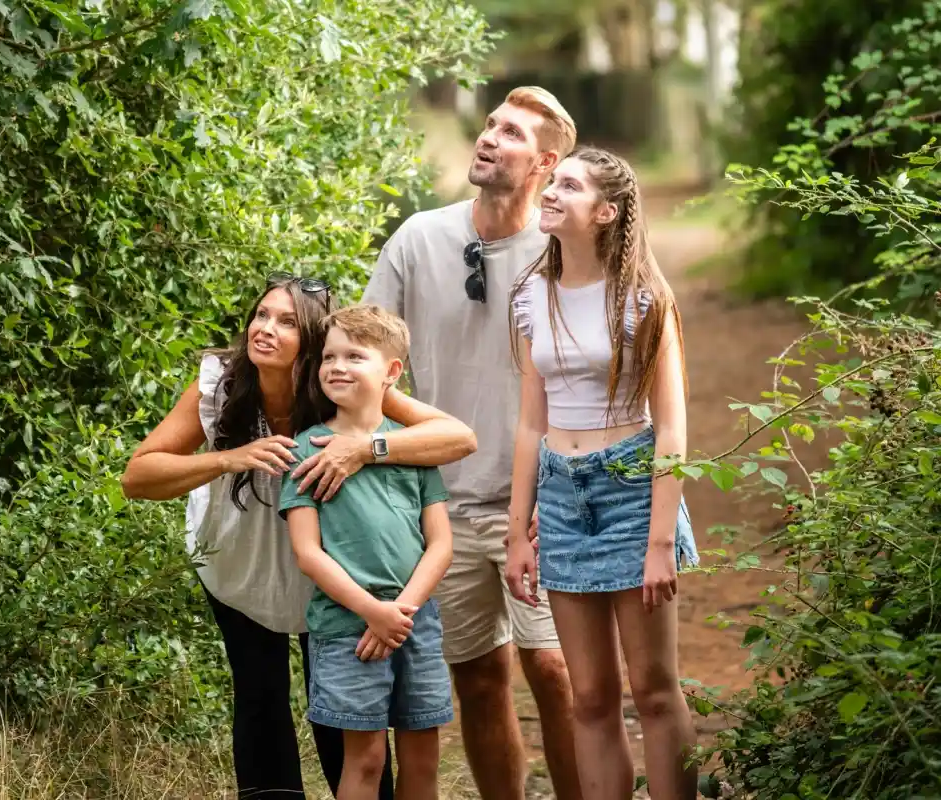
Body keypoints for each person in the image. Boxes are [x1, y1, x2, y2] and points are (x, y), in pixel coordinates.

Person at [120, 273, 476, 799]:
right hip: (238, 555)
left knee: (338, 704)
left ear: (313, 340)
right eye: (261, 315)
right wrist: (228, 458)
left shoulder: (335, 383)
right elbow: (137, 477)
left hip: (328, 565)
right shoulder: (220, 381)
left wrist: (364, 449)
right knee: (260, 694)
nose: (265, 329)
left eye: (287, 322)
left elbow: (457, 437)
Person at [361, 86, 582, 800]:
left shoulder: (563, 251)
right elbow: (366, 359)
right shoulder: (418, 239)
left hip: (537, 497)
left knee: (553, 668)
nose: (489, 137)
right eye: (490, 125)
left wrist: (566, 484)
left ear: (545, 162)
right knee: (480, 678)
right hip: (439, 505)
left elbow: (592, 377)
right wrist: (412, 442)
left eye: (512, 133)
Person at [504, 146, 700, 800]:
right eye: (551, 181)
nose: (550, 191)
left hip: (631, 490)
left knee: (652, 689)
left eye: (568, 185)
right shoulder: (533, 295)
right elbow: (530, 422)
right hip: (561, 494)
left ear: (606, 211)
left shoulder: (644, 298)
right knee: (588, 695)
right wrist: (517, 533)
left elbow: (671, 428)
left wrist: (657, 544)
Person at [280, 305, 455, 800]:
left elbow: (440, 543)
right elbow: (308, 553)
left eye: (354, 356)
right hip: (347, 627)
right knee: (367, 760)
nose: (336, 366)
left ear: (392, 373)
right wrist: (372, 612)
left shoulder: (413, 447)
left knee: (423, 757)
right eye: (329, 356)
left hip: (414, 620)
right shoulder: (305, 448)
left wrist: (401, 612)